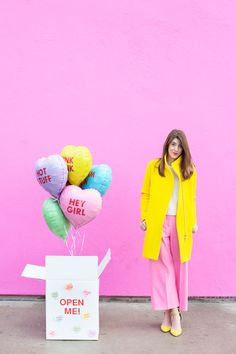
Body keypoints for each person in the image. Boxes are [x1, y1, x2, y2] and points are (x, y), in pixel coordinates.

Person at [140, 129, 197, 337]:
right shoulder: (154, 167)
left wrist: (193, 222)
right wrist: (144, 217)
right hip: (158, 222)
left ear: (184, 148)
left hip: (180, 223)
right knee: (162, 267)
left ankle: (166, 312)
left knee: (177, 267)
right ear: (167, 145)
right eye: (173, 144)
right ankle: (174, 312)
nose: (175, 149)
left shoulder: (189, 169)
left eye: (179, 145)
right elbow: (145, 193)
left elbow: (191, 199)